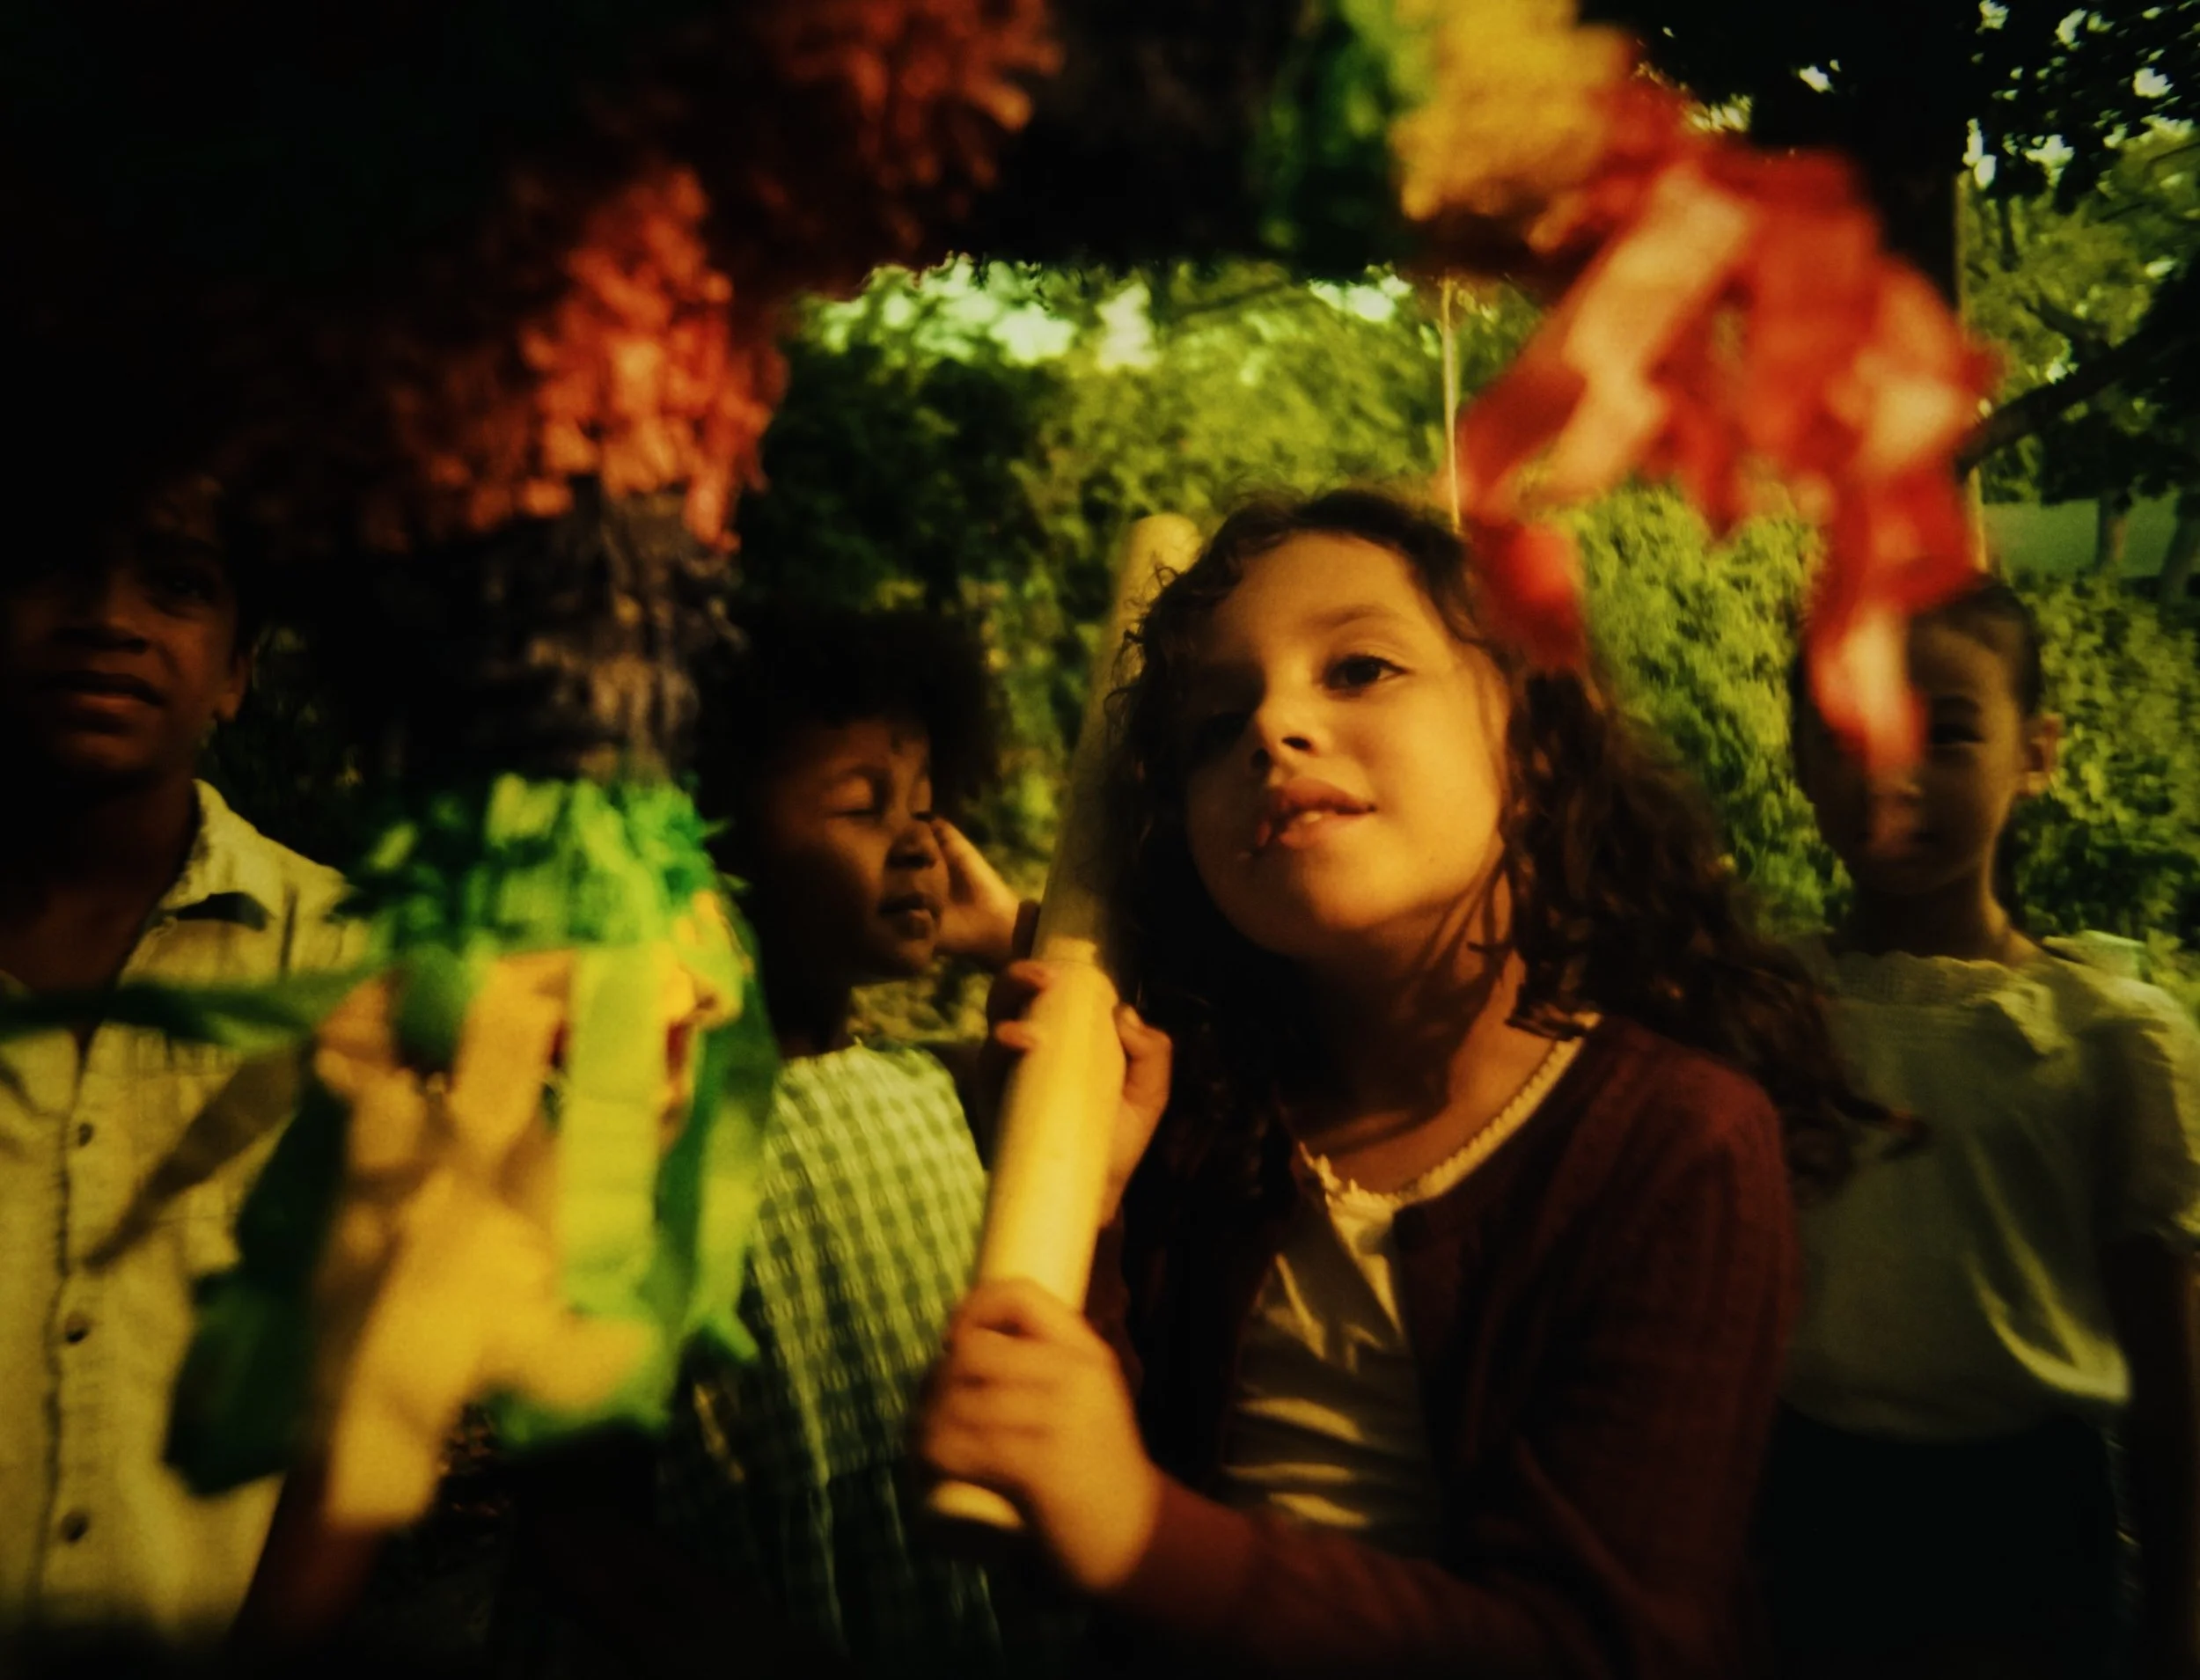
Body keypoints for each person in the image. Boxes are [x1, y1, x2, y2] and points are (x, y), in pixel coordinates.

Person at [915, 488, 1873, 1676]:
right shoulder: (1203, 1116)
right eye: (1214, 724)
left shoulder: (1679, 1141)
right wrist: (1094, 1213)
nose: (1274, 726)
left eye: (1359, 669)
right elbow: (1069, 1521)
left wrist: (1142, 1535)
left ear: (1536, 741)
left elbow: (1597, 1645)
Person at [506, 605, 1056, 1679]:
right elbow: (583, 1532)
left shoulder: (941, 1087)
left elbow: (1139, 1025)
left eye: (927, 807)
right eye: (861, 805)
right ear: (708, 843)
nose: (923, 842)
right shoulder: (620, 1137)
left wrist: (1008, 933)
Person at [1765, 578, 2200, 1680]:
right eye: (1847, 734)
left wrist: (2180, 1617)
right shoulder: (1759, 1007)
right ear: (1798, 757)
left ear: (2034, 752)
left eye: (1947, 732)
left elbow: (2171, 1380)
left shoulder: (2110, 1039)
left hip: (2023, 1531)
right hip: (1786, 1506)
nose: (1891, 773)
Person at [0, 475, 358, 1658]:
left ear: (237, 672)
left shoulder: (344, 964)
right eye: (51, 567)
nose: (108, 616)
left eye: (177, 583)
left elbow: (363, 1393)